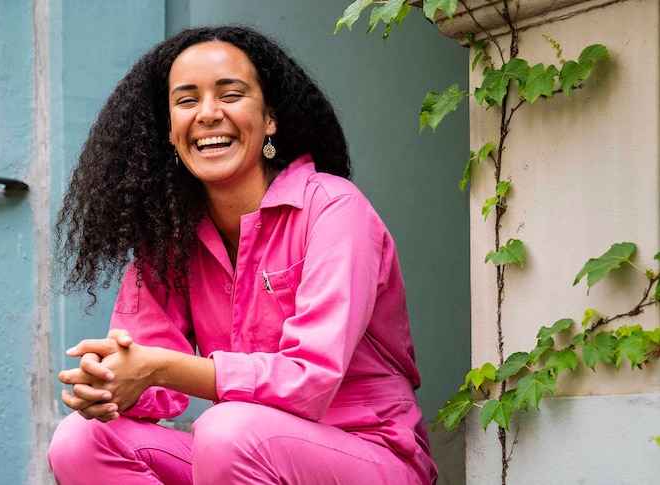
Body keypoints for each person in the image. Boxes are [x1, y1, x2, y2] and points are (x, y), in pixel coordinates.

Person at [47, 25, 437, 485]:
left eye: (230, 94)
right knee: (81, 440)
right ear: (170, 132)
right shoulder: (170, 238)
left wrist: (158, 367)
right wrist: (111, 381)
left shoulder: (333, 208)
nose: (208, 113)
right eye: (187, 101)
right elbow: (149, 376)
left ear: (270, 118)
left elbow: (309, 380)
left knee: (226, 428)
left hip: (370, 454)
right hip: (239, 453)